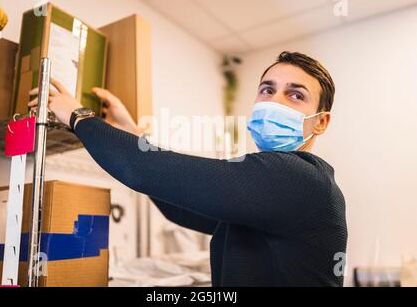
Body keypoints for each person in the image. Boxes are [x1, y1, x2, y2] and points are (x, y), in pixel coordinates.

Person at [29, 51, 347, 287]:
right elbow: (181, 206)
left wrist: (79, 116)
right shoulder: (271, 192)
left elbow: (151, 170)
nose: (274, 101)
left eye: (295, 95)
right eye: (267, 89)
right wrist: (134, 134)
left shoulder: (301, 177)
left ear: (321, 122)